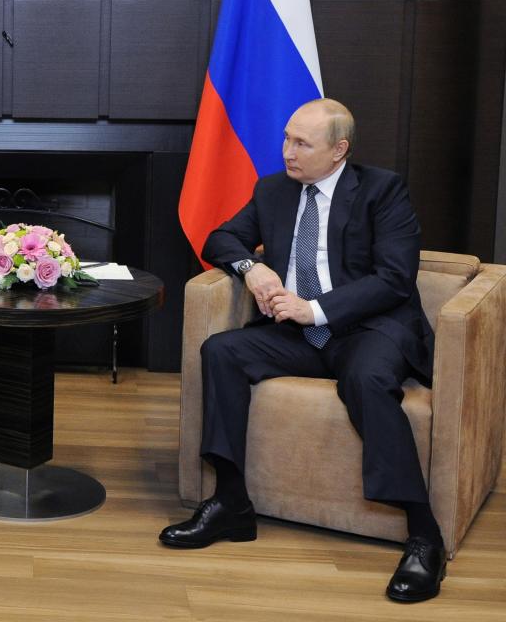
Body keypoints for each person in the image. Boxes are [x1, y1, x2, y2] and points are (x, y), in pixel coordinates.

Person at [159, 99, 446, 603]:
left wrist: (312, 310)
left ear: (339, 151)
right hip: (296, 336)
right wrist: (254, 270)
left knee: (366, 380)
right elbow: (221, 237)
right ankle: (231, 504)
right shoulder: (273, 190)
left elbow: (395, 279)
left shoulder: (383, 190)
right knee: (221, 351)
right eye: (287, 138)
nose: (287, 151)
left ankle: (424, 535)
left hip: (367, 330)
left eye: (301, 143)